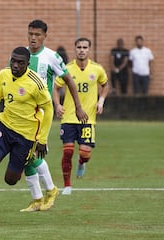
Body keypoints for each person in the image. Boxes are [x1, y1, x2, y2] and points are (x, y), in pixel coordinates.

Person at [0, 46, 54, 224]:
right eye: (13, 61)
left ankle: (48, 186)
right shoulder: (3, 74)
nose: (15, 65)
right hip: (5, 127)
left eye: (20, 62)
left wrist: (42, 138)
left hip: (26, 135)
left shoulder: (36, 83)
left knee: (11, 179)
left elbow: (48, 110)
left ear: (27, 64)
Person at [20, 19, 88, 212]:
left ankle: (50, 189)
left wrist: (78, 106)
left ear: (44, 36)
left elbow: (69, 81)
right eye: (30, 34)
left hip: (41, 114)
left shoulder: (52, 57)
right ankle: (38, 199)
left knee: (29, 153)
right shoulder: (20, 55)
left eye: (37, 35)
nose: (33, 38)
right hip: (20, 114)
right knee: (24, 155)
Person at [52, 37, 109, 195]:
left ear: (89, 50)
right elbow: (55, 88)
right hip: (69, 117)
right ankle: (67, 186)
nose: (82, 50)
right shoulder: (67, 69)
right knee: (68, 151)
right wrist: (58, 104)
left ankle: (81, 163)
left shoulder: (97, 69)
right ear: (75, 49)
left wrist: (101, 101)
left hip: (88, 118)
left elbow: (105, 85)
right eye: (79, 47)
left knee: (85, 154)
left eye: (85, 47)